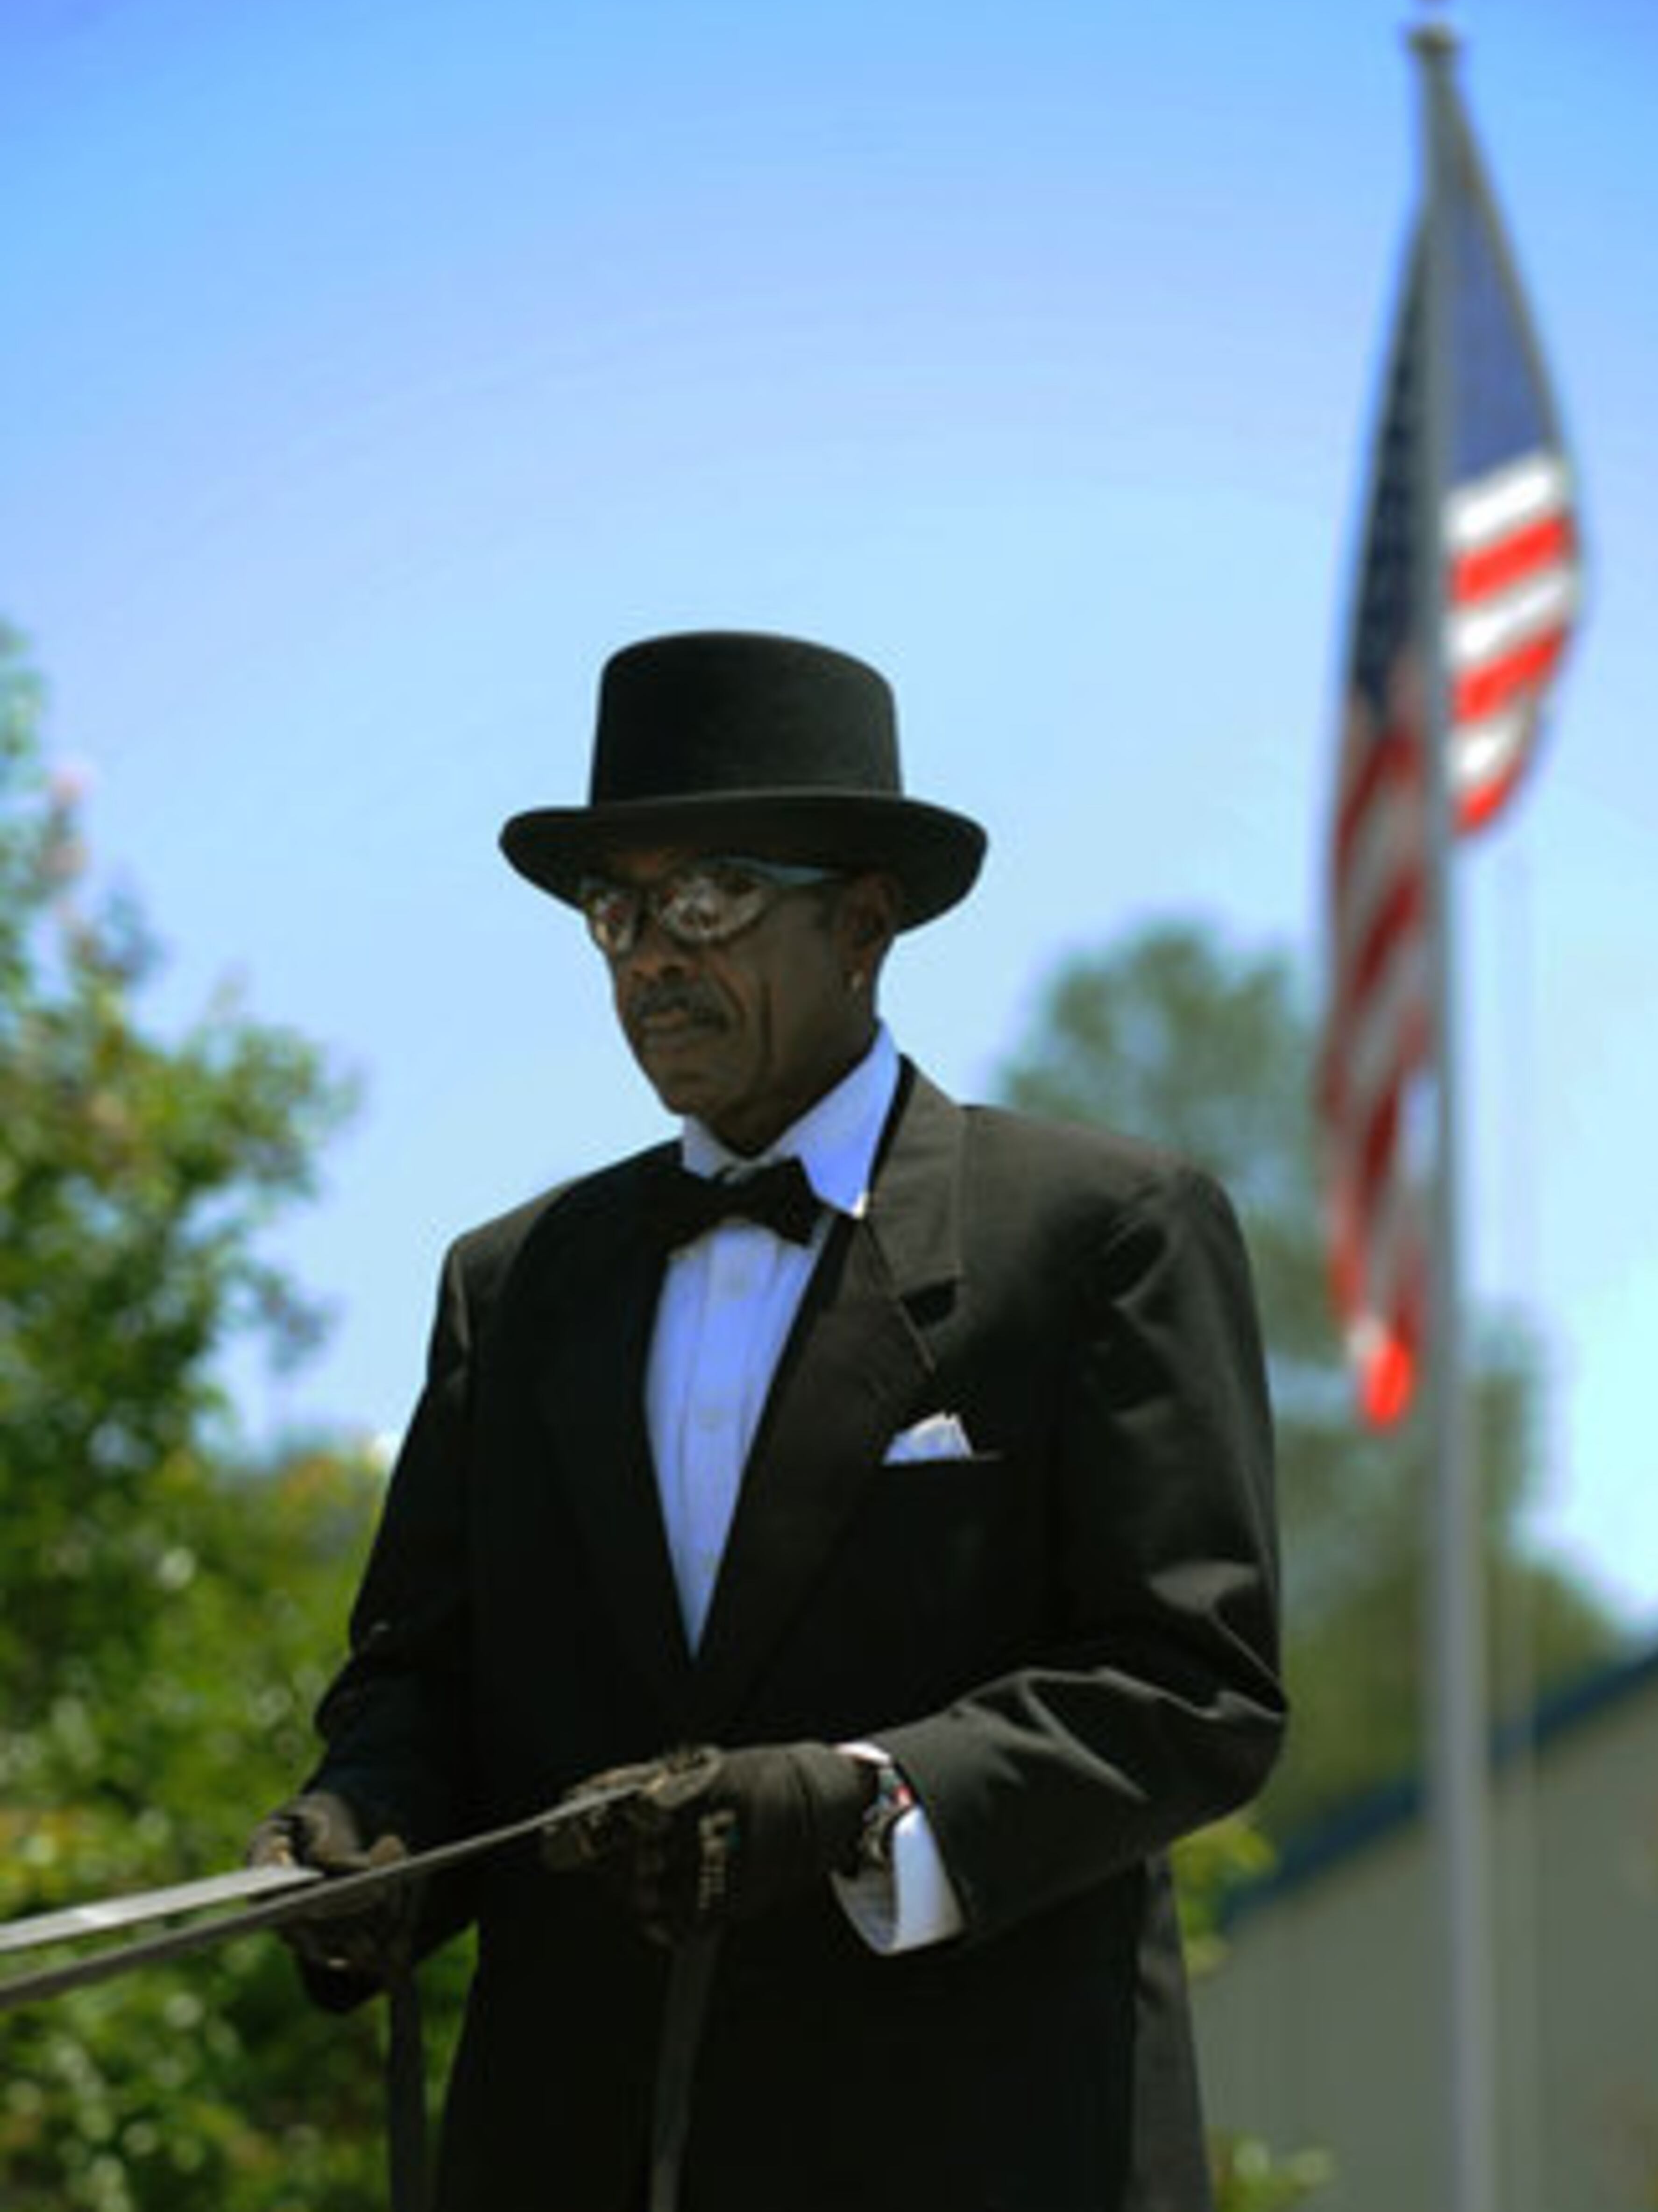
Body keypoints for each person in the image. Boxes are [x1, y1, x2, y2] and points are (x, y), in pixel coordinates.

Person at [250, 630, 1285, 2212]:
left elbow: (1192, 1687)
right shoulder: (510, 1285)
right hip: (567, 2156)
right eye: (618, 909)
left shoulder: (1103, 1234)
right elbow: (425, 1685)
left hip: (977, 2154)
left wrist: (854, 1800)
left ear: (861, 923)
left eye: (710, 897)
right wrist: (363, 1826)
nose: (653, 953)